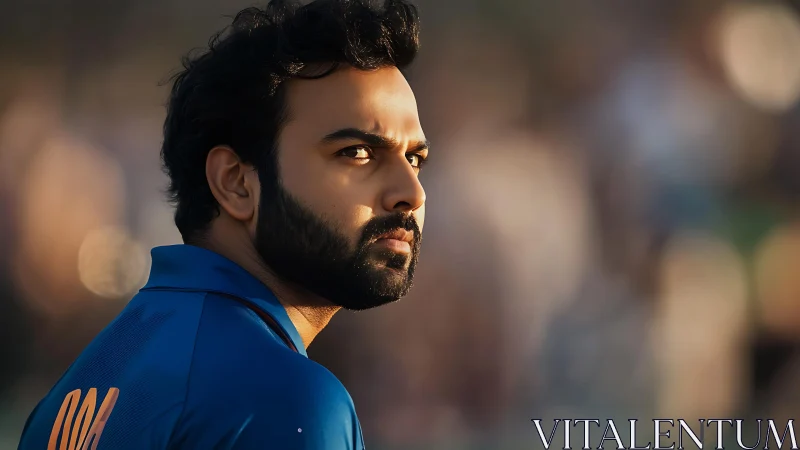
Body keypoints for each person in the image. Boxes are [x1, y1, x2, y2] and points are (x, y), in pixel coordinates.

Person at [18, 0, 426, 448]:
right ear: (235, 183)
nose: (412, 192)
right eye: (357, 153)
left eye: (415, 158)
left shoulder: (78, 389)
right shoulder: (288, 400)